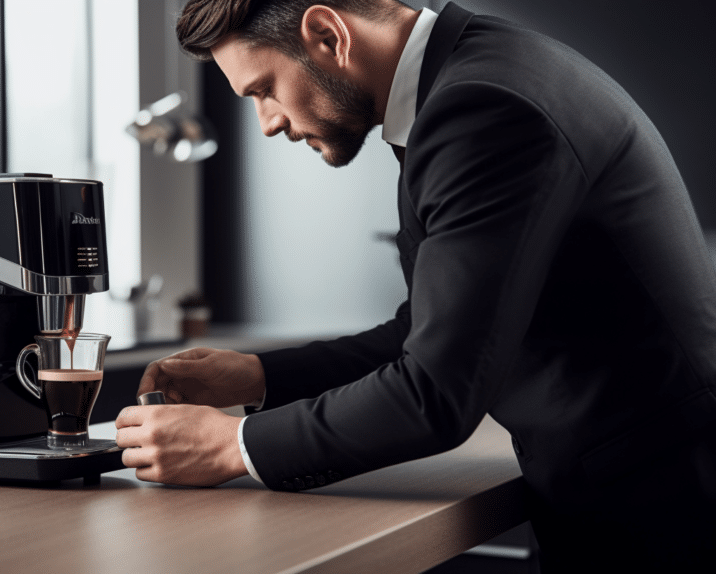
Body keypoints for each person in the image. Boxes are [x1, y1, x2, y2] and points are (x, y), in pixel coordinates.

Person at [114, 0, 716, 570]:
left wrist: (232, 446)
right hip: (648, 484)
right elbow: (429, 330)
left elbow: (435, 393)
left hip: (667, 510)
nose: (268, 122)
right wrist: (260, 377)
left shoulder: (480, 108)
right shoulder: (479, 74)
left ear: (328, 35)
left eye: (264, 89)